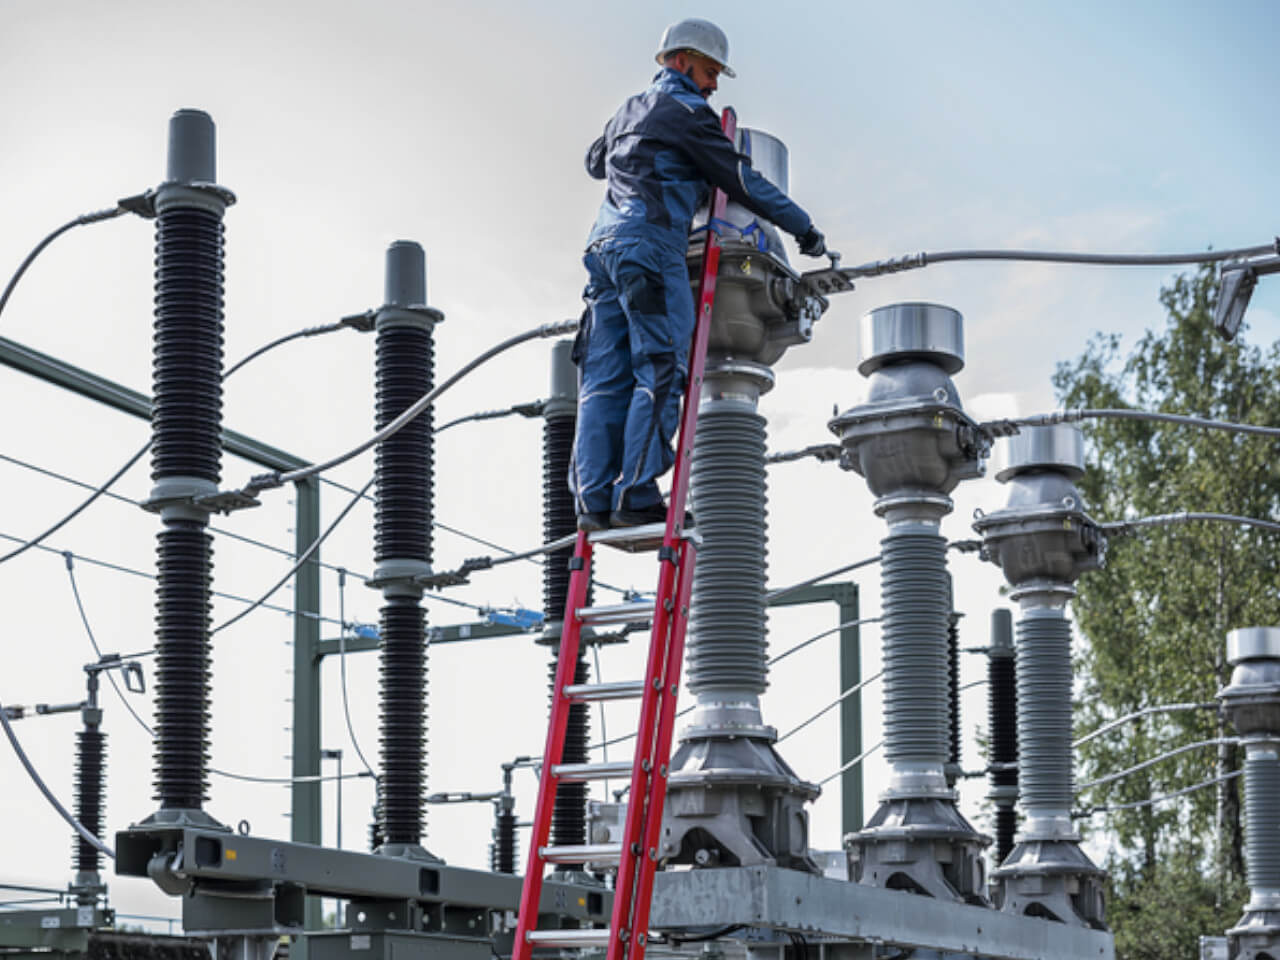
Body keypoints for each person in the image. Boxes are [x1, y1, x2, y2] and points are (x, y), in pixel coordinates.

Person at [572, 17, 828, 533]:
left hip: (602, 251)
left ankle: (593, 498)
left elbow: (594, 163)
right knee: (661, 365)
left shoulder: (628, 110)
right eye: (710, 71)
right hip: (649, 245)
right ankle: (637, 492)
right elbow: (740, 180)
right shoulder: (690, 114)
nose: (713, 84)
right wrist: (804, 228)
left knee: (603, 379)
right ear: (680, 60)